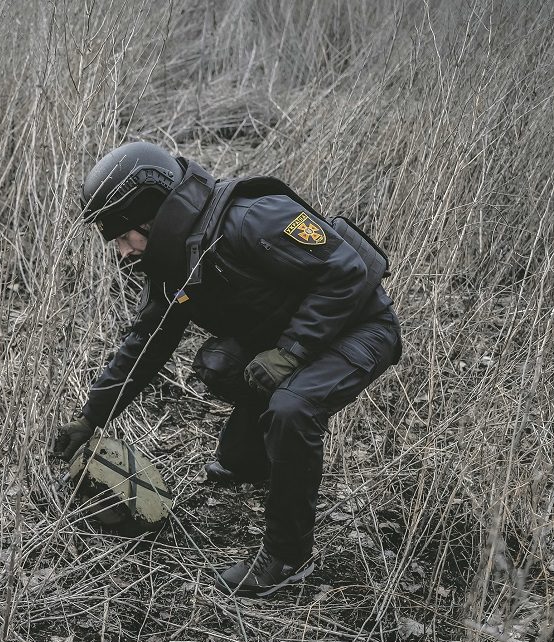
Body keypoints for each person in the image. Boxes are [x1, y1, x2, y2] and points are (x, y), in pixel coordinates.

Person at [54, 141, 402, 597]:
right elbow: (146, 343)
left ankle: (286, 558)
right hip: (290, 338)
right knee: (221, 381)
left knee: (291, 410)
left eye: (122, 238)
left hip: (360, 326)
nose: (122, 253)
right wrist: (91, 418)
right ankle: (259, 458)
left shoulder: (251, 217)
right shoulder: (172, 262)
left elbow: (348, 272)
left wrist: (291, 353)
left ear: (149, 217)